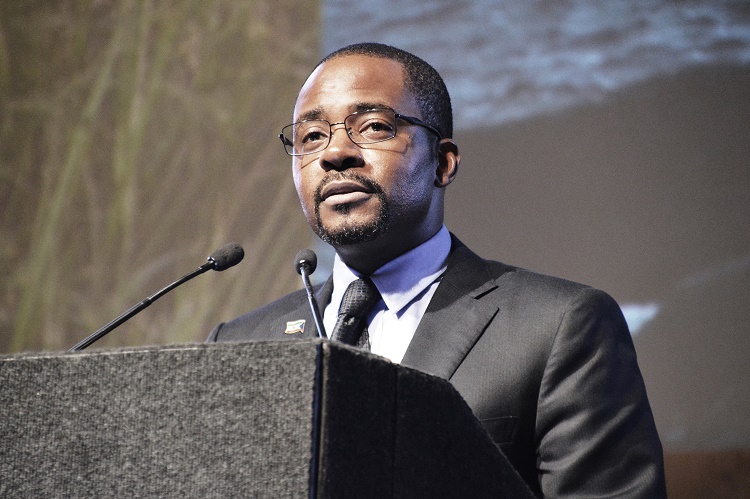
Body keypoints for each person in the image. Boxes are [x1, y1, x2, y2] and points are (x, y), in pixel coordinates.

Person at [207, 42, 666, 497]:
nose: (335, 153)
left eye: (373, 127)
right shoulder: (237, 344)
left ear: (442, 163)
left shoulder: (560, 326)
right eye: (311, 137)